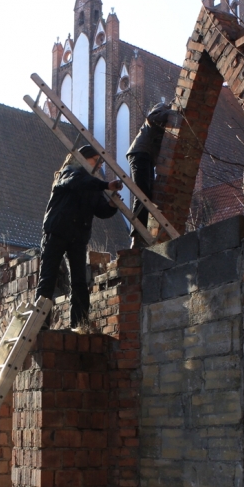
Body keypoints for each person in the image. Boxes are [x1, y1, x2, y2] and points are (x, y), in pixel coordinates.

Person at [36, 144, 123, 331]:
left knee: (79, 282)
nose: (99, 165)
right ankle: (40, 325)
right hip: (58, 232)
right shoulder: (69, 172)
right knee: (48, 279)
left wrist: (112, 206)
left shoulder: (91, 183)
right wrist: (105, 185)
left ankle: (79, 324)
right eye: (95, 160)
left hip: (78, 237)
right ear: (83, 158)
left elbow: (100, 210)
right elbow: (79, 182)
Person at [126, 102, 174, 248]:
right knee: (142, 195)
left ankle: (145, 235)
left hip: (146, 157)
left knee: (149, 196)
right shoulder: (164, 107)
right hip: (140, 153)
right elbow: (151, 118)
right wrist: (173, 112)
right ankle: (136, 237)